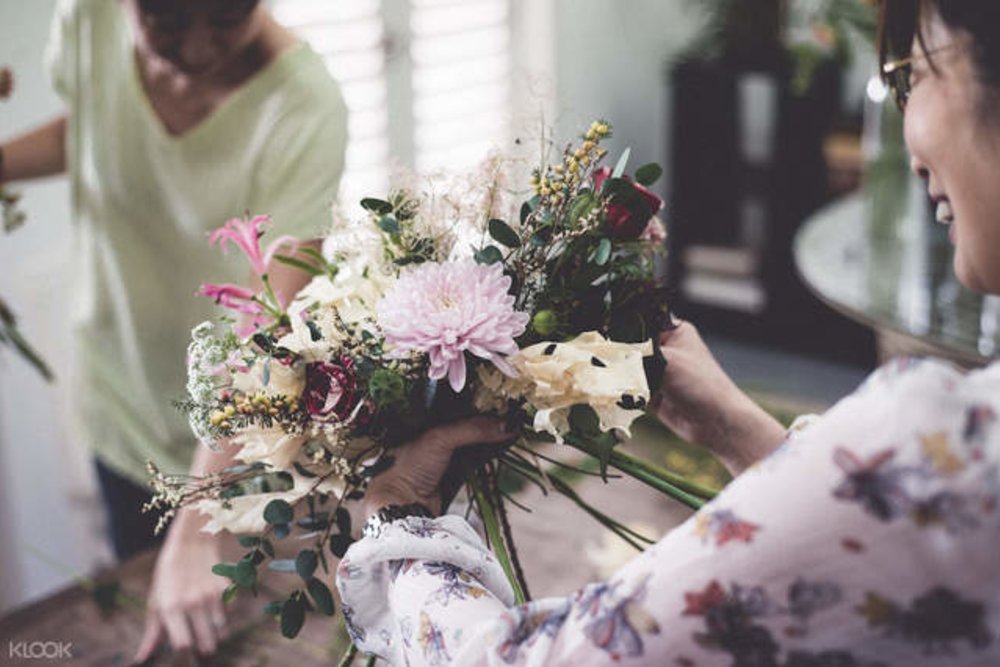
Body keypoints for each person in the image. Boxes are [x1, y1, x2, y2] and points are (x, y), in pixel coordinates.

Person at [333, 1, 1000, 664]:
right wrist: (737, 428)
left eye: (912, 73)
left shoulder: (938, 445)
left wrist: (400, 516)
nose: (906, 130)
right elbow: (886, 546)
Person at [0, 0, 347, 661]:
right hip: (121, 398)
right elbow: (96, 128)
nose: (195, 48)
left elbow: (270, 326)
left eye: (225, 15)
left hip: (240, 446)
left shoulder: (304, 107)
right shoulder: (87, 18)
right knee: (153, 622)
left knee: (253, 630)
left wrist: (197, 517)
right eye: (165, 17)